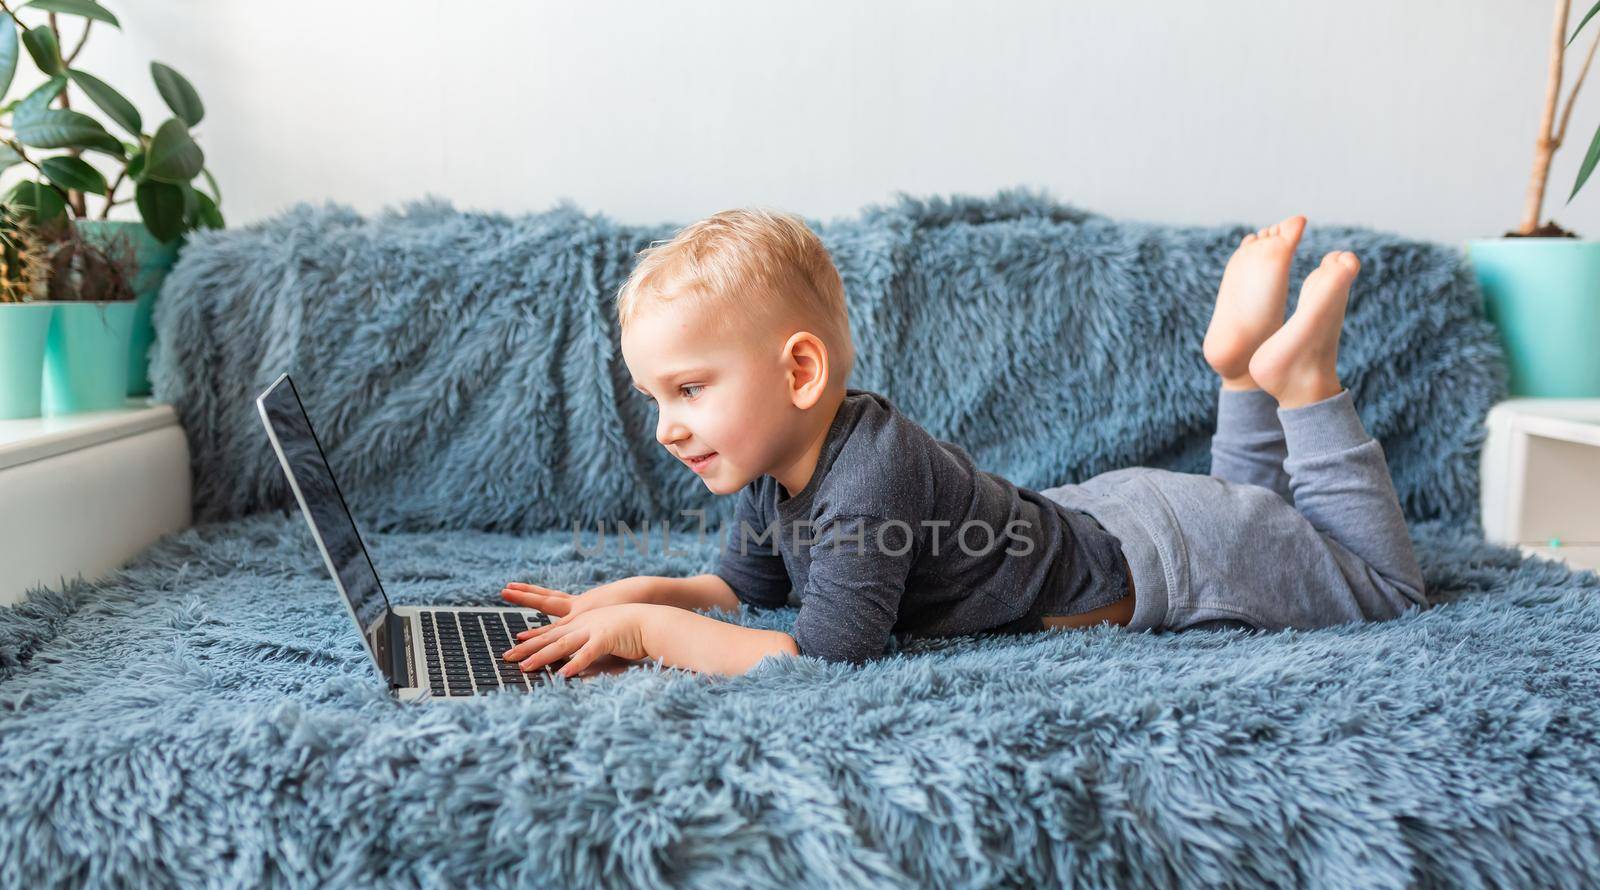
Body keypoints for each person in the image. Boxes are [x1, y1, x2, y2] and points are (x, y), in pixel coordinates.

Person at [500, 209, 1427, 679]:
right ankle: (1237, 372)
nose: (666, 425)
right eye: (655, 396)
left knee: (1380, 589)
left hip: (1172, 554)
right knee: (1257, 517)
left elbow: (828, 657)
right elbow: (748, 592)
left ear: (800, 372)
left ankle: (1302, 383)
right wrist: (636, 591)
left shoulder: (869, 477)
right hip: (1115, 519)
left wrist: (645, 633)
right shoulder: (772, 465)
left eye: (689, 389)